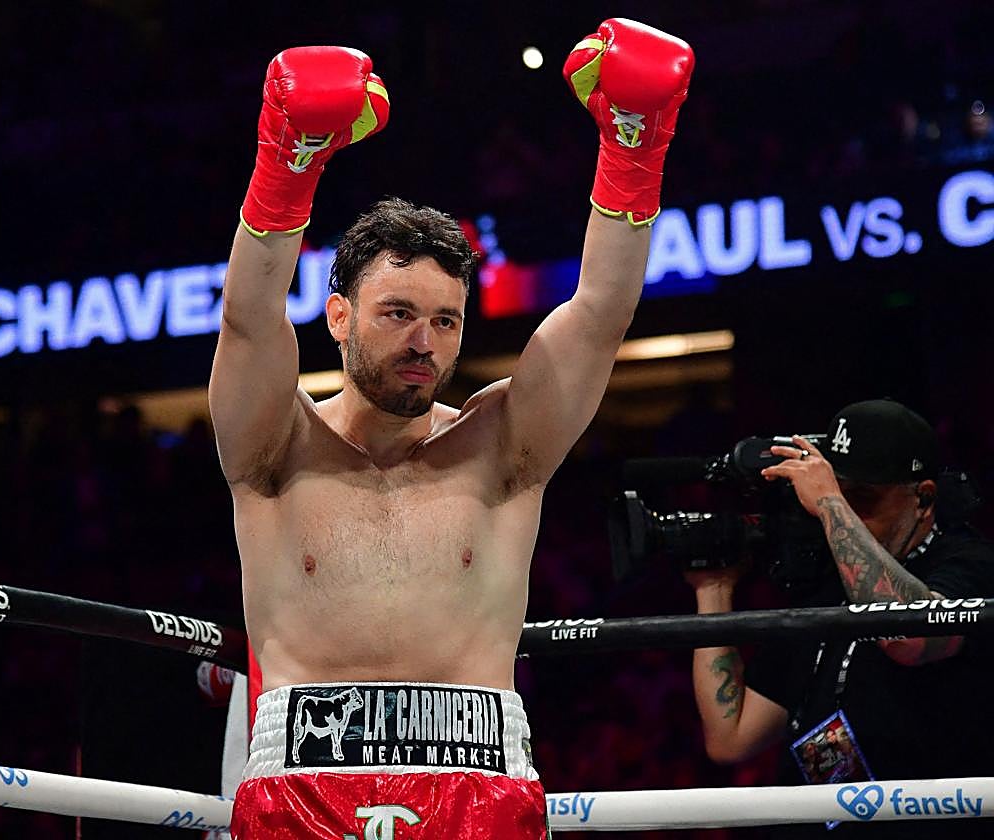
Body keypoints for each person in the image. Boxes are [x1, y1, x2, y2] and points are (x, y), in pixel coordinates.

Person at [209, 21, 694, 839]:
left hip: (477, 784)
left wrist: (632, 147)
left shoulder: (503, 446)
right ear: (338, 316)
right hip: (301, 786)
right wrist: (286, 166)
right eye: (398, 314)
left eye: (445, 320)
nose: (423, 342)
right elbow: (249, 319)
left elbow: (601, 313)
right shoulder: (274, 445)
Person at [686, 399, 994, 837]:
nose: (843, 514)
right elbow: (730, 736)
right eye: (839, 493)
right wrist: (714, 590)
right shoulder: (823, 580)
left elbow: (911, 640)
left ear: (923, 497)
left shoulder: (970, 563)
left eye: (862, 499)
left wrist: (830, 500)